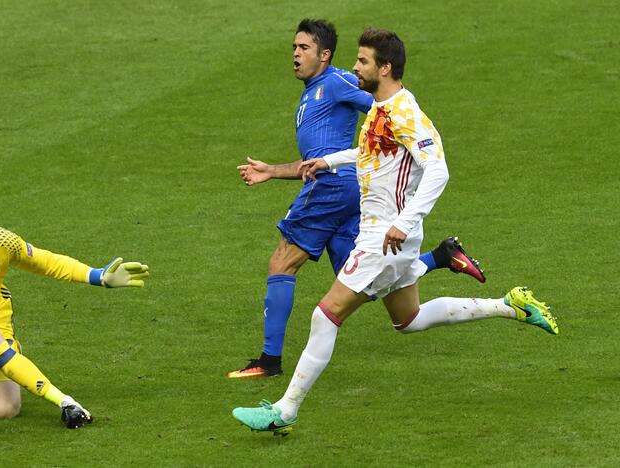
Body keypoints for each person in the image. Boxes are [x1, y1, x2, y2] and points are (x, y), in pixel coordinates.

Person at [232, 27, 558, 435]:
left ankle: (285, 410)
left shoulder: (405, 113)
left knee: (325, 316)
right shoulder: (380, 109)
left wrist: (403, 224)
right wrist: (329, 162)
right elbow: (370, 151)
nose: (355, 67)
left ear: (385, 68)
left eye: (363, 61)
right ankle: (511, 306)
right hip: (389, 236)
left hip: (384, 237)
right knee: (409, 319)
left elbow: (438, 169)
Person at [229, 19, 486, 380]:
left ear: (325, 55)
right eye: (294, 48)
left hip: (334, 188)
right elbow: (331, 154)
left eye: (303, 48)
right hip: (348, 188)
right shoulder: (315, 90)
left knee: (282, 264)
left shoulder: (336, 81)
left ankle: (270, 362)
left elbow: (382, 107)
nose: (295, 55)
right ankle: (441, 257)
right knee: (367, 281)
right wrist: (272, 170)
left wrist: (396, 118)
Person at [0, 192, 149, 429]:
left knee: (5, 410)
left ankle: (2, 359)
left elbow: (45, 261)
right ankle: (65, 401)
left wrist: (96, 276)